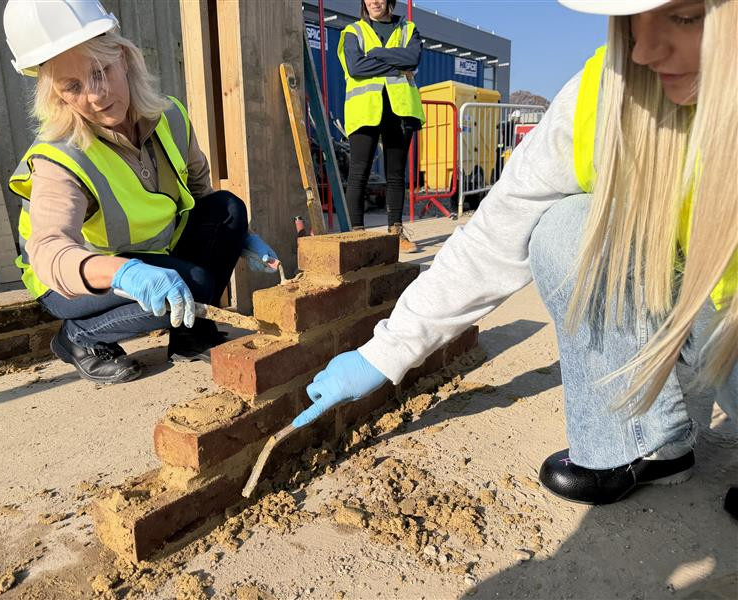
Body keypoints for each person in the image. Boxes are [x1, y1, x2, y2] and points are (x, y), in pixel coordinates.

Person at [298, 0, 737, 508]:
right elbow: (496, 233)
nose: (644, 50)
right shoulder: (602, 94)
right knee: (564, 231)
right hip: (692, 307)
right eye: (633, 24)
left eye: (684, 17)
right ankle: (645, 444)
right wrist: (383, 352)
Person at [3, 0, 279, 384]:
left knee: (228, 208)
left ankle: (190, 336)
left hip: (147, 254)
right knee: (188, 285)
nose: (95, 95)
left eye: (100, 72)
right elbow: (50, 253)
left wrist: (239, 237)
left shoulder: (170, 117)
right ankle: (78, 337)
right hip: (72, 278)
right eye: (73, 87)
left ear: (123, 58)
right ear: (56, 94)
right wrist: (124, 273)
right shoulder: (60, 156)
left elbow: (202, 196)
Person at [337, 0, 426, 253]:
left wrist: (375, 53)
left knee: (396, 174)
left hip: (400, 109)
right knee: (359, 173)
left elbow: (412, 59)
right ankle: (357, 236)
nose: (374, 1)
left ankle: (396, 233)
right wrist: (397, 64)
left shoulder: (408, 29)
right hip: (365, 109)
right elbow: (356, 67)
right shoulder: (353, 31)